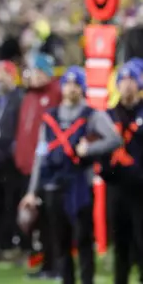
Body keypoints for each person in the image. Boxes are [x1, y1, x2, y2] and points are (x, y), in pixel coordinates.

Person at [20, 66, 121, 284]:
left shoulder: (92, 114)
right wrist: (32, 190)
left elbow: (114, 139)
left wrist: (90, 149)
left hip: (80, 184)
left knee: (83, 239)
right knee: (60, 241)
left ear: (82, 87)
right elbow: (41, 154)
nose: (71, 89)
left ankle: (87, 280)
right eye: (67, 84)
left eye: (76, 84)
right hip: (54, 184)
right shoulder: (51, 116)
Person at [14, 53, 62, 279]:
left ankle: (55, 265)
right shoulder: (29, 96)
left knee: (50, 219)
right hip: (27, 167)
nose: (31, 76)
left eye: (35, 71)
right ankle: (45, 264)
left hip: (46, 167)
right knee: (37, 220)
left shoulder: (55, 94)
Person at [101, 62, 143, 284]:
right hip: (117, 187)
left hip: (140, 189)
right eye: (123, 80)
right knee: (120, 244)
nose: (127, 85)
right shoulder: (108, 115)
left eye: (132, 80)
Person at [0, 61, 25, 257]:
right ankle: (0, 243)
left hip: (10, 159)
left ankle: (11, 243)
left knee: (11, 203)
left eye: (3, 75)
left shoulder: (19, 98)